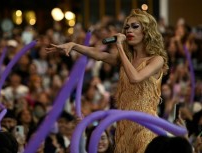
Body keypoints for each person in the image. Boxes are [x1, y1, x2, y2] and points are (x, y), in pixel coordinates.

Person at [46, 9, 168, 153]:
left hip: (146, 124)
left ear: (147, 30)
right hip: (124, 123)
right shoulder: (126, 60)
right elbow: (100, 55)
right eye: (127, 27)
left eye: (135, 26)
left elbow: (135, 78)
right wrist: (74, 45)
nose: (129, 30)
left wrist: (120, 47)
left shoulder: (156, 59)